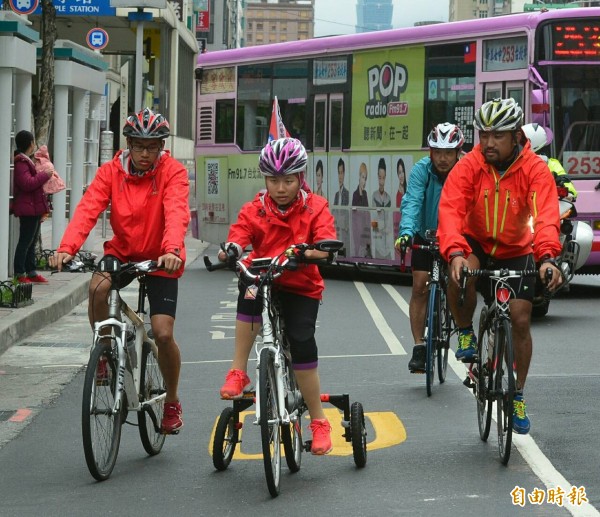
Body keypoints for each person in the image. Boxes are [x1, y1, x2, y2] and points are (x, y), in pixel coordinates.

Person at [49, 108, 190, 435]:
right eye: (139, 146)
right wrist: (66, 249)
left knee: (163, 332)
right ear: (128, 144)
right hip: (123, 251)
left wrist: (171, 250)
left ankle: (171, 401)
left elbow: (177, 212)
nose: (145, 153)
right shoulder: (111, 172)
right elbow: (87, 209)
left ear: (161, 147)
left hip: (161, 257)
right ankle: (105, 351)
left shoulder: (173, 172)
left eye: (152, 146)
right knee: (98, 290)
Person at [437, 98, 562, 435]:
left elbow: (546, 215)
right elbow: (450, 210)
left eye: (498, 135)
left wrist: (547, 257)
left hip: (516, 248)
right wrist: (455, 252)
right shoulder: (470, 166)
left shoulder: (535, 169)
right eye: (484, 134)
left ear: (516, 136)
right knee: (459, 274)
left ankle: (517, 394)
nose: (488, 143)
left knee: (520, 319)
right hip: (475, 242)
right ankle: (465, 332)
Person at [217, 137, 337, 455]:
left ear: (301, 178)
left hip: (301, 285)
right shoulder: (254, 208)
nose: (281, 187)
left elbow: (326, 242)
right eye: (273, 180)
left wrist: (311, 251)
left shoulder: (316, 207)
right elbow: (239, 234)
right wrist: (231, 249)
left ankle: (319, 421)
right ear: (265, 179)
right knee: (249, 292)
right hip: (264, 279)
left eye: (288, 180)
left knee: (300, 340)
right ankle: (238, 370)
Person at [394, 123, 465, 373]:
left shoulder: (467, 170)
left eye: (448, 152)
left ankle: (461, 329)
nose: (443, 158)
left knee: (458, 283)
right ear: (431, 152)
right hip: (425, 235)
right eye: (438, 152)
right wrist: (405, 233)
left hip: (456, 237)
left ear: (459, 151)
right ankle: (419, 346)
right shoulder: (421, 170)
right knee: (420, 285)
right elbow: (412, 201)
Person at [11, 130, 52, 284]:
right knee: (25, 241)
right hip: (28, 208)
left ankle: (31, 271)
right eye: (33, 141)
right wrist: (45, 175)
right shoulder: (21, 162)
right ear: (30, 144)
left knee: (31, 241)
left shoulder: (26, 160)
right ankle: (20, 272)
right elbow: (27, 184)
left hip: (33, 207)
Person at [521, 123, 578, 200]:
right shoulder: (513, 162)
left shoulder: (551, 163)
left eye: (522, 142)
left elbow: (567, 184)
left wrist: (567, 192)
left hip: (544, 207)